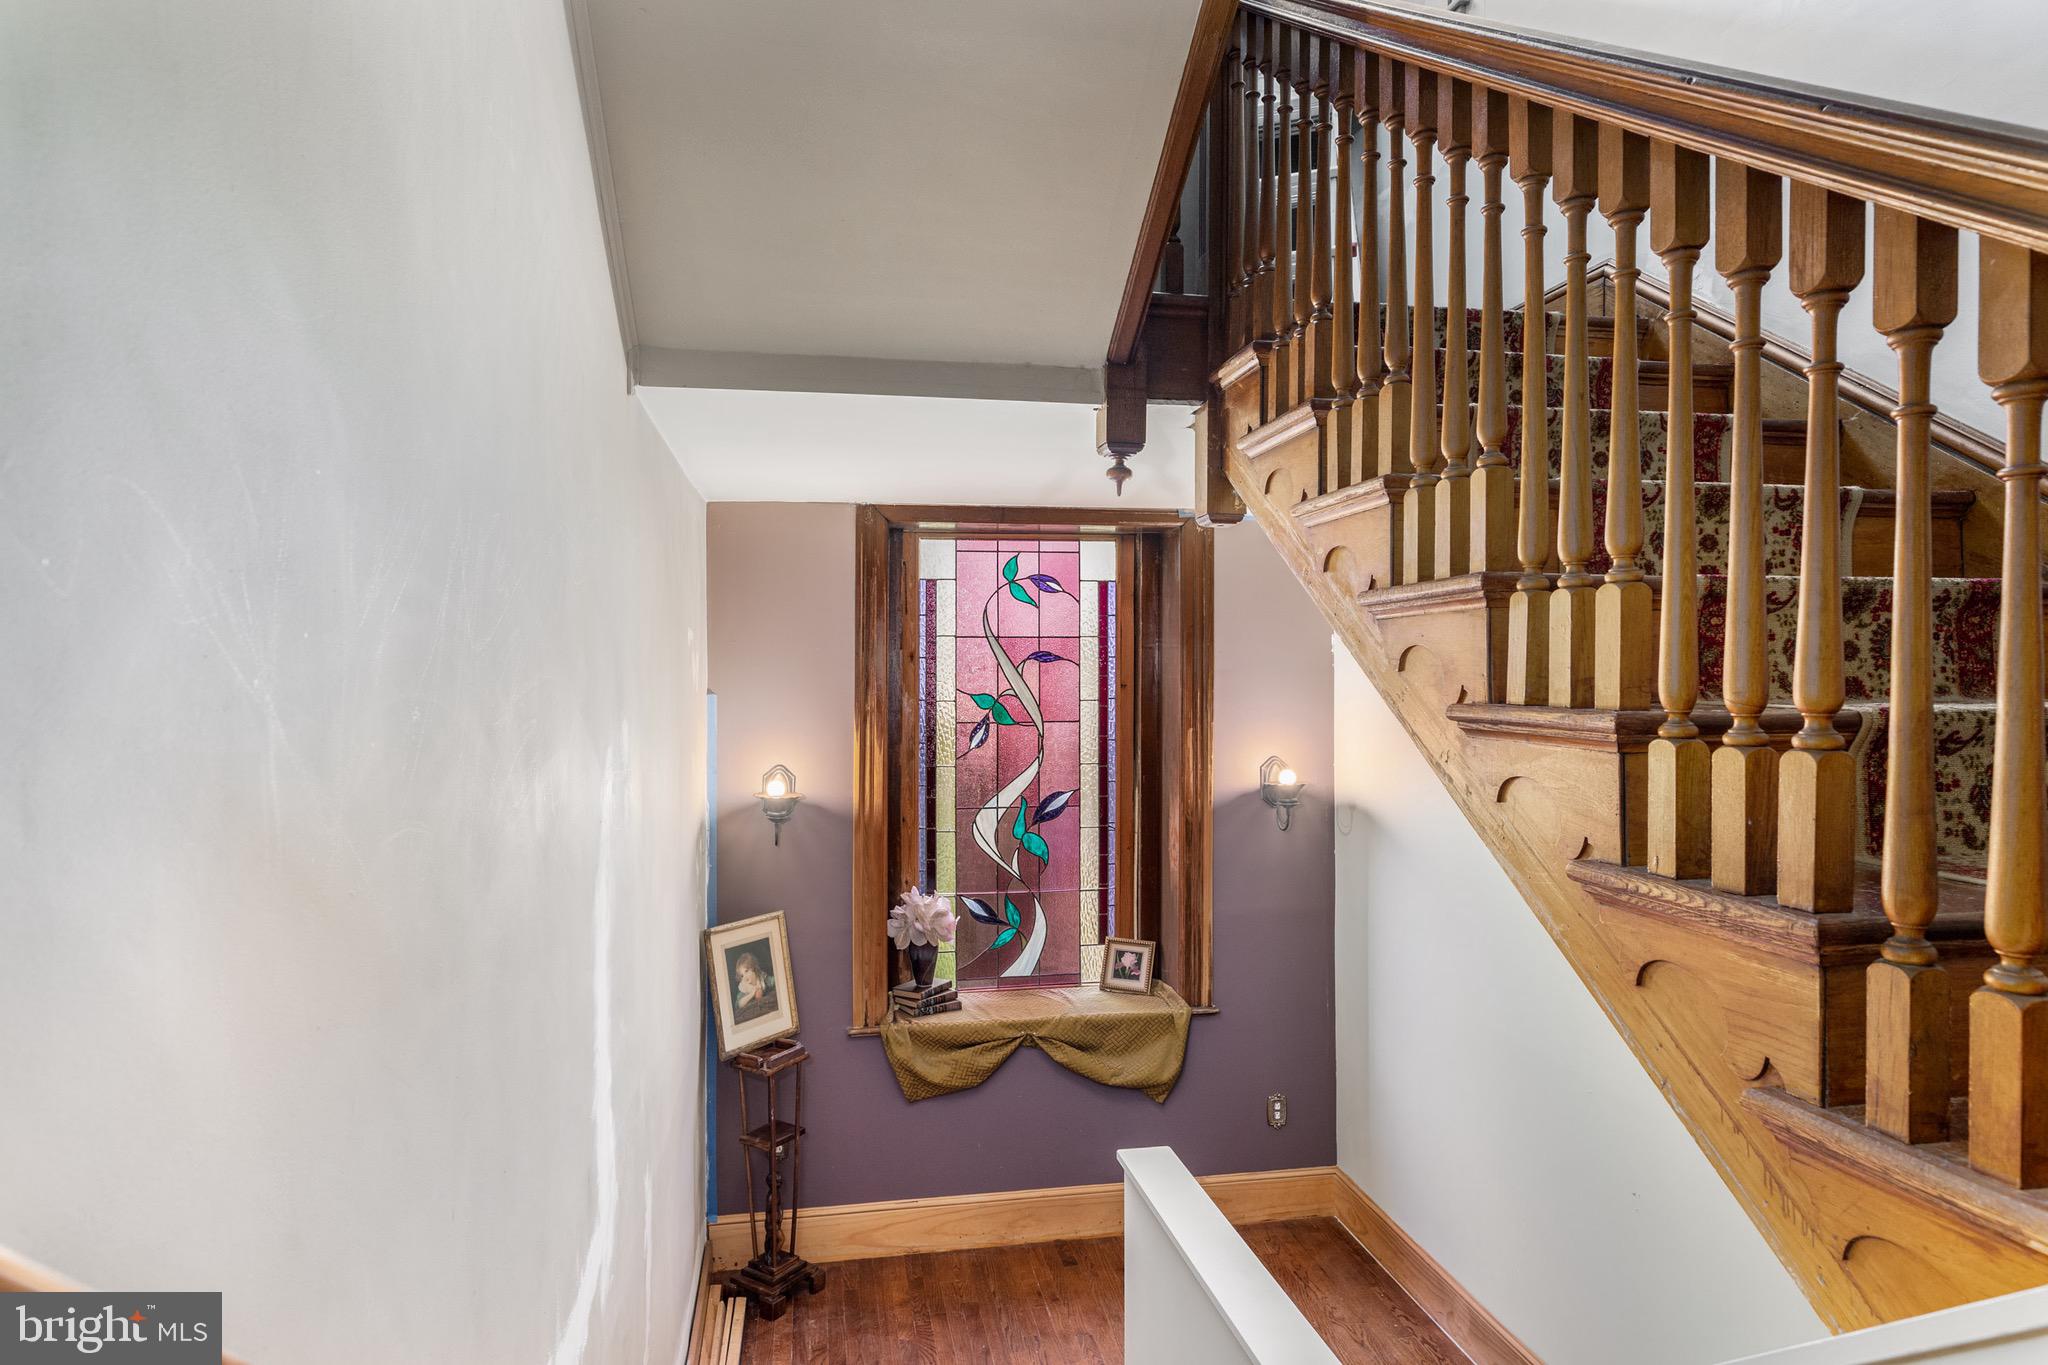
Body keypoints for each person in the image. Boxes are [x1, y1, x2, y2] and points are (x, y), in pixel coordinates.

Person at [732, 949, 776, 1022]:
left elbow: (772, 981)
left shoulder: (761, 978)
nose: (745, 977)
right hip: (751, 1012)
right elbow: (739, 1004)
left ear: (752, 968)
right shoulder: (744, 987)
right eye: (742, 975)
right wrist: (752, 993)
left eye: (746, 971)